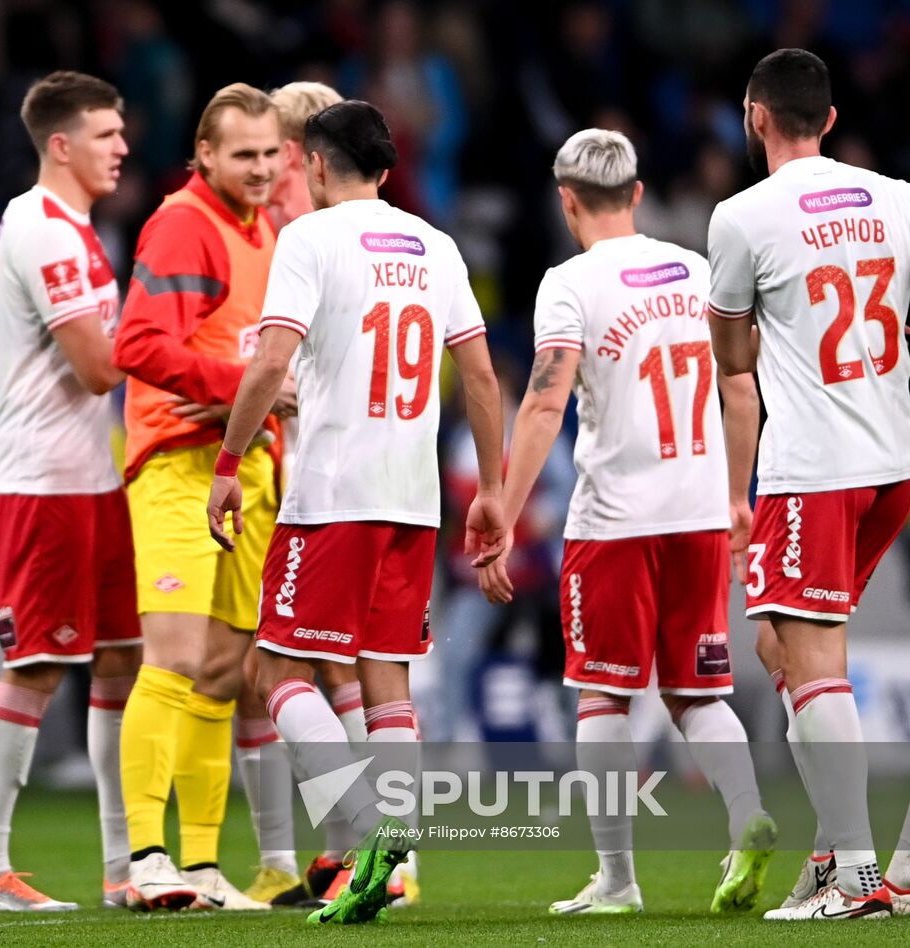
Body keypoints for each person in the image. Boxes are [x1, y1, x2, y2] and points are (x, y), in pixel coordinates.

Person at [208, 99, 507, 924]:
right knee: (386, 678)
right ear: (386, 167)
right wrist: (492, 489)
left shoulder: (309, 237)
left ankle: (370, 830)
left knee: (274, 674)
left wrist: (229, 463)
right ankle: (396, 840)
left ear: (311, 162)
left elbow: (271, 360)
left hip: (334, 493)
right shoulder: (436, 245)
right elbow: (481, 379)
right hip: (412, 500)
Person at [477, 128, 776, 915]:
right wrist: (737, 494)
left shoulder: (568, 283)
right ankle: (748, 817)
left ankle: (617, 879)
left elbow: (544, 401)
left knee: (604, 698)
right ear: (638, 195)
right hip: (701, 510)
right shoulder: (695, 269)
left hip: (615, 519)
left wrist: (502, 511)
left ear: (566, 200)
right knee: (696, 693)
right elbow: (740, 388)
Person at [707, 48, 910, 921]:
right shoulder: (901, 200)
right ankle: (841, 857)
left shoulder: (742, 216)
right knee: (783, 650)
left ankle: (858, 879)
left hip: (813, 467)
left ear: (756, 116)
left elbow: (732, 357)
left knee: (812, 660)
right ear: (829, 119)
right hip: (892, 462)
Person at [0, 70, 141, 914]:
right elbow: (100, 365)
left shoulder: (80, 228)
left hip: (93, 480)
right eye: (107, 135)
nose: (123, 148)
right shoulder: (42, 230)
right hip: (41, 484)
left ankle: (123, 864)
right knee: (35, 668)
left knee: (119, 661)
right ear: (61, 144)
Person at [111, 82, 288, 912]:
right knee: (175, 657)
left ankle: (204, 866)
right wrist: (242, 387)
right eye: (241, 154)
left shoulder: (265, 230)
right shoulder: (187, 222)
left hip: (246, 465)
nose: (258, 168)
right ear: (205, 155)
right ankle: (145, 858)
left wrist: (246, 406)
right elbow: (137, 342)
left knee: (222, 673)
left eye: (268, 153)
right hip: (180, 464)